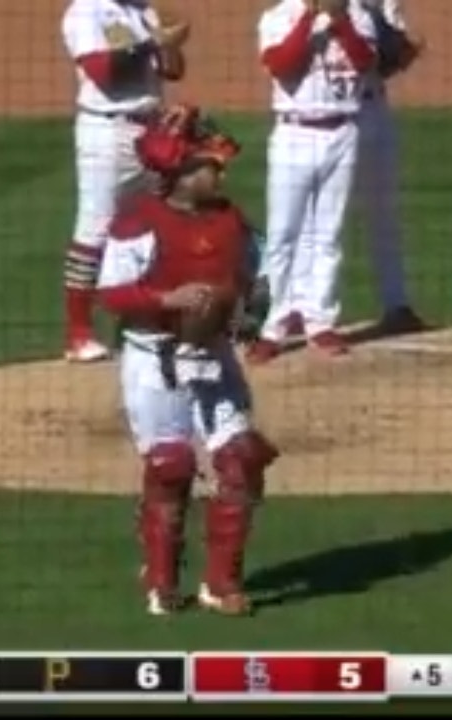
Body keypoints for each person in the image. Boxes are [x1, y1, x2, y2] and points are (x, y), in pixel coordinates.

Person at [97, 105, 279, 617]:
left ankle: (222, 583)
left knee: (243, 458)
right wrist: (166, 299)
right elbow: (112, 294)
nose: (219, 173)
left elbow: (259, 276)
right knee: (171, 465)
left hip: (215, 356)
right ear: (177, 172)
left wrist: (249, 319)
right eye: (207, 165)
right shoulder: (138, 222)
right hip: (155, 360)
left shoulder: (231, 219)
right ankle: (161, 579)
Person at [249, 0, 381, 363]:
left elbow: (366, 62)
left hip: (343, 132)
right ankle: (274, 325)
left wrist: (340, 23)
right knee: (283, 235)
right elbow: (281, 65)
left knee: (329, 233)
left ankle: (320, 320)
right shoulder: (279, 17)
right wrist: (310, 19)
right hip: (294, 133)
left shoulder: (359, 16)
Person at [60, 0, 189, 362]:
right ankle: (78, 334)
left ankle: (150, 319)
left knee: (154, 223)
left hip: (150, 128)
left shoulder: (142, 11)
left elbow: (172, 72)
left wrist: (171, 46)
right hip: (107, 132)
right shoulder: (86, 11)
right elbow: (103, 70)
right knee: (95, 227)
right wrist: (154, 41)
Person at [355, 0, 429, 336]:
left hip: (374, 108)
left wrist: (401, 50)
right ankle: (298, 311)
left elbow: (390, 60)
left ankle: (396, 304)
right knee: (314, 221)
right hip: (322, 116)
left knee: (384, 213)